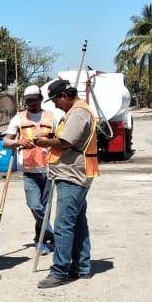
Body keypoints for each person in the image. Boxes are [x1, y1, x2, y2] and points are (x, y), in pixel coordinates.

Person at [34, 81, 99, 289]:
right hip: (75, 174)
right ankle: (82, 267)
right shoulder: (77, 111)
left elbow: (66, 141)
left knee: (63, 225)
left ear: (64, 95)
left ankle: (59, 270)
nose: (55, 105)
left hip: (73, 176)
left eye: (55, 100)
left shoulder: (78, 113)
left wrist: (45, 142)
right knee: (78, 223)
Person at [2, 84, 65, 255]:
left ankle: (41, 240)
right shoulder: (18, 118)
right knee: (35, 205)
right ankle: (53, 235)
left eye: (34, 101)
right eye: (28, 101)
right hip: (29, 170)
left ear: (41, 99)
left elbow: (62, 138)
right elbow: (6, 142)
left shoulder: (54, 116)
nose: (31, 104)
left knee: (45, 207)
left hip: (49, 168)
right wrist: (18, 142)